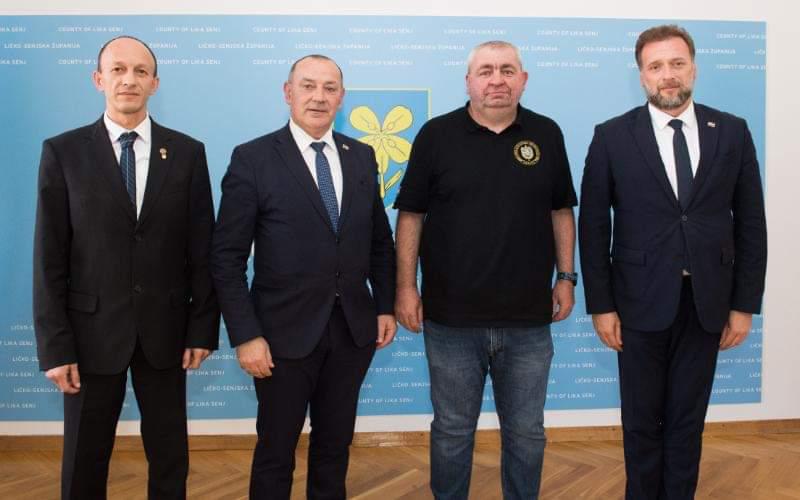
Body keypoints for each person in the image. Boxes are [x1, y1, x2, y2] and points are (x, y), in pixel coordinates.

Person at [578, 24, 767, 499]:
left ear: (694, 69)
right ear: (641, 75)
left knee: (687, 420)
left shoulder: (732, 131)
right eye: (656, 66)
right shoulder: (612, 136)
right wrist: (601, 306)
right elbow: (594, 228)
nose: (668, 75)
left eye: (677, 63)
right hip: (637, 302)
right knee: (641, 421)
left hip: (707, 303)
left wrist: (744, 305)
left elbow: (751, 224)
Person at [33, 36, 220, 499]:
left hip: (166, 333)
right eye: (118, 70)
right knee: (84, 460)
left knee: (169, 457)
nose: (129, 80)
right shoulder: (63, 152)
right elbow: (48, 258)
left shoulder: (187, 153)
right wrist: (55, 347)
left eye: (140, 71)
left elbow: (203, 250)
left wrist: (201, 328)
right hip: (89, 335)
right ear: (98, 79)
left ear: (155, 83)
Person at [394, 40, 578, 499]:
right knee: (452, 431)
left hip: (528, 320)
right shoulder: (435, 135)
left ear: (523, 79)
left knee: (527, 432)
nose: (497, 80)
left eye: (507, 70)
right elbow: (411, 215)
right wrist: (405, 287)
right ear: (469, 81)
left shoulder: (547, 133)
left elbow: (561, 211)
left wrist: (566, 276)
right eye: (486, 71)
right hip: (451, 320)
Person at [210, 54, 396, 499]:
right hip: (280, 337)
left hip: (352, 333)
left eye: (330, 88)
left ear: (342, 98)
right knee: (276, 452)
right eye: (308, 86)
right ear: (288, 92)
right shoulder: (253, 158)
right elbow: (226, 258)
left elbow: (379, 242)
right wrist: (246, 335)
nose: (319, 97)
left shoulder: (361, 156)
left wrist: (385, 306)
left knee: (334, 447)